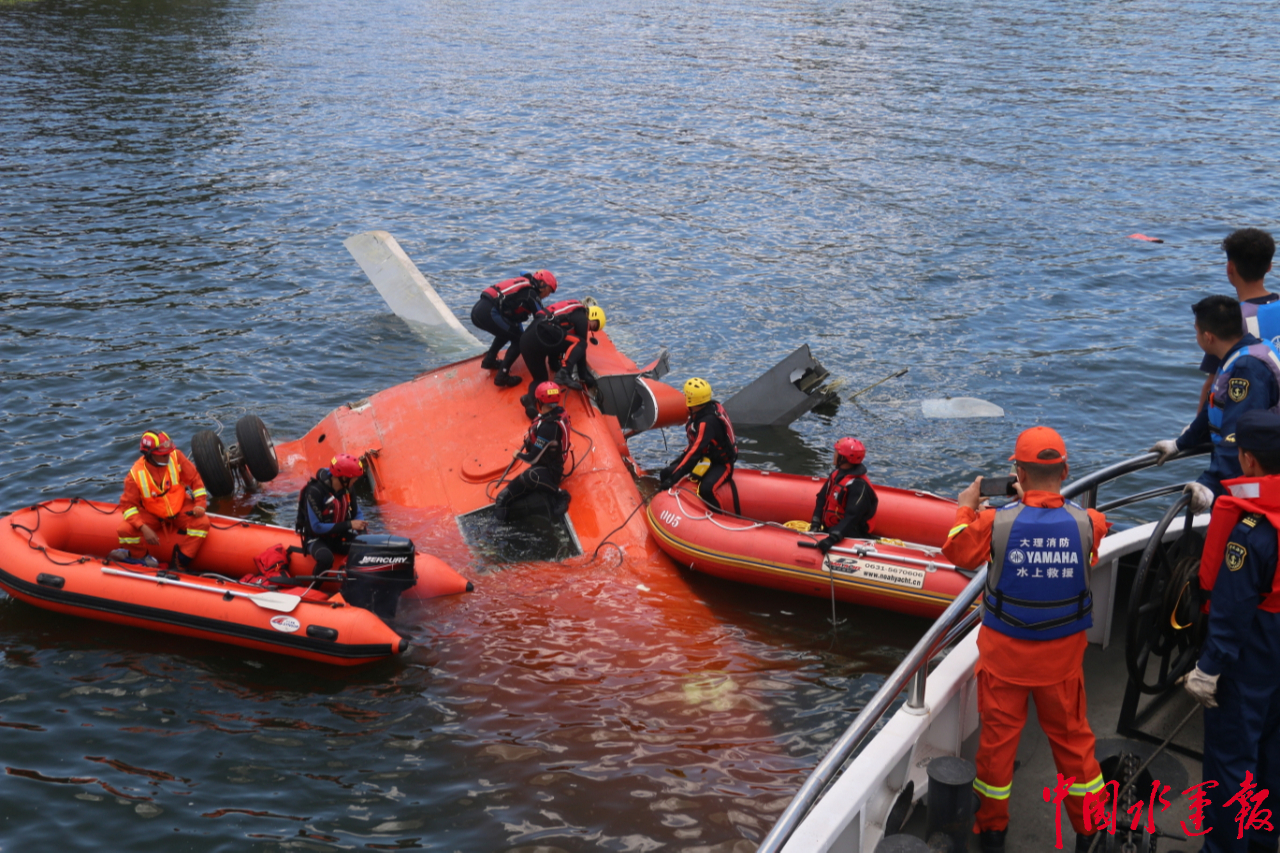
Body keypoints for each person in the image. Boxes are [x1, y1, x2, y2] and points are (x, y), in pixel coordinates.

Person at [942, 426, 1109, 853]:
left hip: (1004, 664)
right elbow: (1089, 551)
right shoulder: (1089, 523)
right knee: (1075, 748)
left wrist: (965, 508)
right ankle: (1091, 833)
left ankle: (992, 832)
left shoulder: (994, 523)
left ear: (1018, 472)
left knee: (996, 751)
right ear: (1066, 470)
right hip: (1061, 667)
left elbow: (957, 550)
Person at [1181, 409, 1280, 853]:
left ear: (1249, 461)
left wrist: (1208, 668)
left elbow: (1232, 609)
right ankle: (1261, 841)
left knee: (1230, 762)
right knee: (1271, 756)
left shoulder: (1250, 533)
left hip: (1251, 656)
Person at [1151, 295, 1280, 512]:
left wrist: (1209, 484)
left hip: (1250, 479)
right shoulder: (1245, 351)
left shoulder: (1246, 369)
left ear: (1208, 337)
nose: (1196, 336)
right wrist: (1180, 443)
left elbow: (1239, 434)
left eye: (1196, 331)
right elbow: (1216, 405)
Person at [1197, 229, 1278, 409]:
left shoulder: (1230, 319)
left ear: (1230, 268)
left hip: (1251, 419)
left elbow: (1212, 384)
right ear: (1269, 267)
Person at [111, 430, 211, 570]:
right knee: (125, 530)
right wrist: (143, 527)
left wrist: (200, 504)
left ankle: (181, 561)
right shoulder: (135, 475)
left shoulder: (176, 457)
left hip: (180, 507)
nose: (168, 457)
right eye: (163, 455)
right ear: (149, 454)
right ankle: (139, 558)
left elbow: (195, 480)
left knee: (202, 523)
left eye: (168, 453)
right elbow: (128, 507)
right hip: (152, 514)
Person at [657, 378, 739, 513]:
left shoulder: (707, 423)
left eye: (686, 396)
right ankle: (666, 508)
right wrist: (672, 473)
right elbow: (693, 450)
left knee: (706, 489)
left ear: (691, 401)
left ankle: (722, 518)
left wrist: (674, 478)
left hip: (722, 464)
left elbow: (695, 452)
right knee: (665, 473)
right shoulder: (703, 411)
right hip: (706, 458)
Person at [494, 381, 572, 521]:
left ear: (539, 401)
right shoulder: (555, 413)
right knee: (502, 498)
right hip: (542, 464)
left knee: (530, 476)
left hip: (551, 470)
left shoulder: (549, 427)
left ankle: (561, 494)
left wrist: (518, 454)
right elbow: (539, 419)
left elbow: (532, 459)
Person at [517, 300, 605, 418]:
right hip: (541, 336)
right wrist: (585, 376)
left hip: (527, 341)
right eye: (593, 326)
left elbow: (558, 339)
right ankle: (564, 374)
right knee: (581, 343)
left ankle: (530, 402)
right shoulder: (582, 317)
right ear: (592, 316)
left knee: (540, 379)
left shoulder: (567, 315)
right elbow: (581, 348)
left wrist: (554, 363)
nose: (589, 330)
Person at [470, 270, 557, 388]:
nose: (548, 295)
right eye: (549, 291)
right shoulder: (531, 294)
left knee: (509, 330)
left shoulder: (527, 283)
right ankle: (502, 376)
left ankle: (489, 360)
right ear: (542, 285)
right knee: (519, 340)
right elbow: (541, 318)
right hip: (488, 313)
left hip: (479, 310)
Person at [295, 453, 369, 574]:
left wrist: (363, 534)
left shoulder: (348, 489)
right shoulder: (314, 492)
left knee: (365, 550)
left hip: (338, 537)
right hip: (316, 539)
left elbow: (357, 513)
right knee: (326, 559)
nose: (355, 481)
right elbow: (316, 527)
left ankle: (354, 585)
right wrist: (349, 525)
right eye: (354, 478)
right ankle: (314, 589)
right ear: (344, 478)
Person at [809, 437, 879, 554]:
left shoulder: (858, 485)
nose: (834, 455)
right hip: (831, 528)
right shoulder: (836, 474)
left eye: (836, 453)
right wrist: (815, 524)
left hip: (851, 534)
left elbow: (852, 517)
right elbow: (822, 499)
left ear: (844, 458)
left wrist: (832, 539)